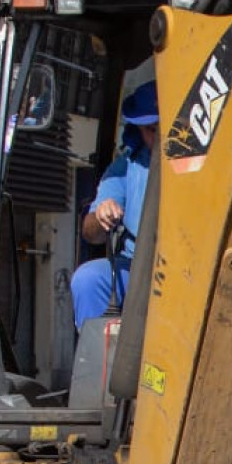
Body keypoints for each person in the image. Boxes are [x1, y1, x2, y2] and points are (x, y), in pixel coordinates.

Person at [73, 81, 160, 327]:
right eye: (151, 130)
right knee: (89, 279)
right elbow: (91, 233)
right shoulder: (126, 167)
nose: (159, 138)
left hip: (197, 269)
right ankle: (100, 364)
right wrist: (101, 216)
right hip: (137, 268)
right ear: (139, 129)